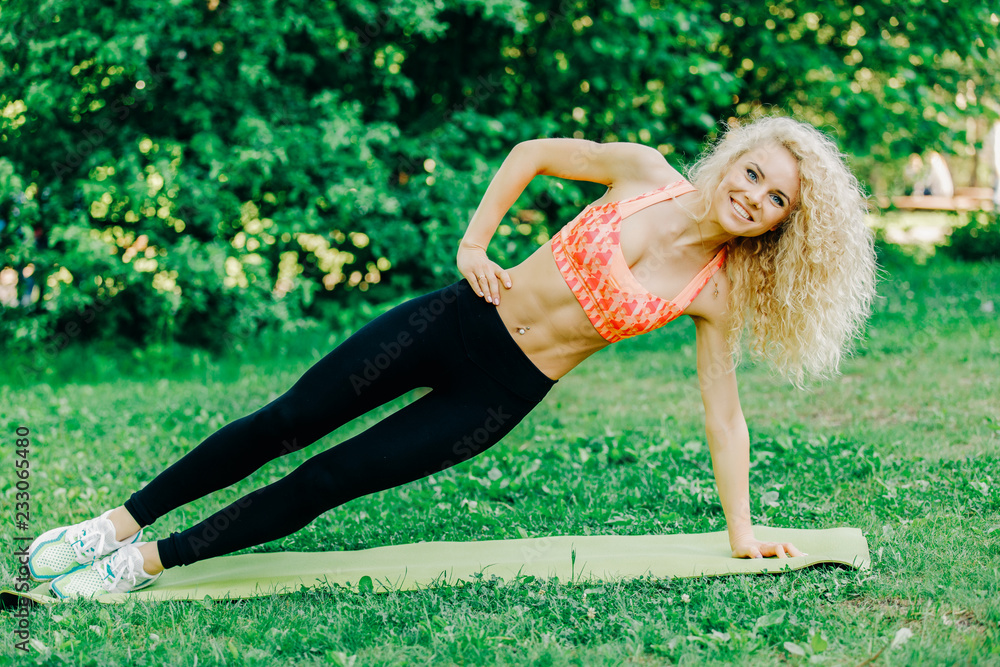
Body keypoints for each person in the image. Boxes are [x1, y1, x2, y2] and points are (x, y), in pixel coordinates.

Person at [28, 115, 877, 599]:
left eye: (775, 203)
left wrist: (740, 530)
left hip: (498, 396)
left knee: (329, 482)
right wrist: (476, 242)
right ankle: (114, 523)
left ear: (778, 228)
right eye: (757, 174)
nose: (755, 197)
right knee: (285, 422)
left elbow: (724, 415)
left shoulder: (715, 293)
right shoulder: (643, 175)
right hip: (453, 319)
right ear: (736, 153)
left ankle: (138, 565)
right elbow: (531, 155)